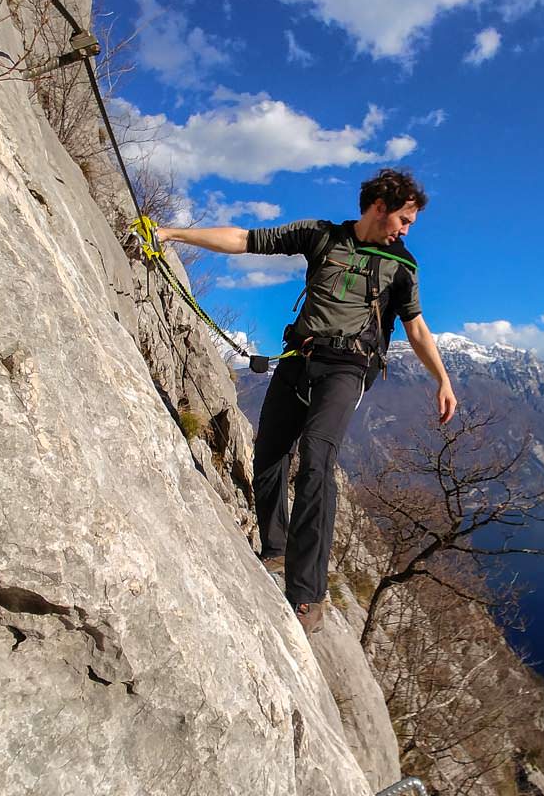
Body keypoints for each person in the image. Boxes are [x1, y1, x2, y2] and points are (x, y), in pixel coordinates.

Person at [157, 168, 457, 634]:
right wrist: (172, 233)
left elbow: (415, 327)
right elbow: (244, 239)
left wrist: (442, 378)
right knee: (270, 451)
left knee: (317, 456)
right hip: (301, 355)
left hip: (349, 368)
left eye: (410, 223)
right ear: (380, 206)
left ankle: (307, 593)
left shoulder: (403, 266)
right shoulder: (320, 236)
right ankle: (274, 549)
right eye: (403, 218)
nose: (406, 229)